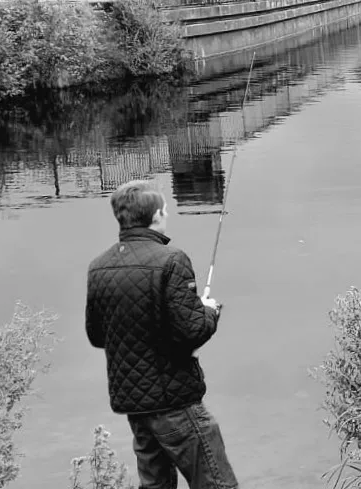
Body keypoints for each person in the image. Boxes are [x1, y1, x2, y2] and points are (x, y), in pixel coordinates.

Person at [85, 179, 238, 489]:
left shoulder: (98, 267)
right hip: (174, 402)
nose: (167, 215)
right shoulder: (172, 261)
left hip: (135, 406)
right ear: (155, 216)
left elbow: (98, 336)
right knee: (218, 484)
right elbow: (192, 331)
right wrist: (208, 310)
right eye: (165, 210)